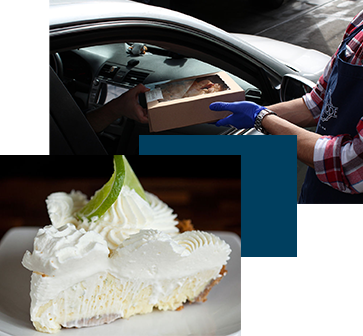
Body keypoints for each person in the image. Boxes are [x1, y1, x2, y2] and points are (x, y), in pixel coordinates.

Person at [210, 10, 363, 323]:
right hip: (321, 205)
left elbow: (349, 164)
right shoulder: (359, 25)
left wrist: (262, 119)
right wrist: (260, 111)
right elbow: (317, 103)